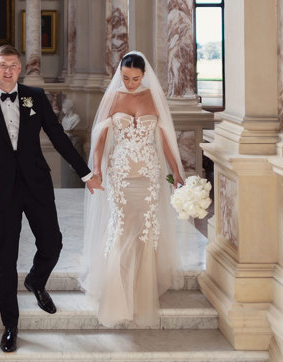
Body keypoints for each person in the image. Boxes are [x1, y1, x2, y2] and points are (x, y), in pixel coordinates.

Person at [0, 45, 102, 353]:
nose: (8, 70)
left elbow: (58, 137)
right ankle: (10, 325)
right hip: (0, 190)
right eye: (3, 65)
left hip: (37, 183)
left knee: (53, 242)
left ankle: (37, 281)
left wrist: (86, 174)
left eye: (13, 65)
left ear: (20, 68)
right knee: (6, 257)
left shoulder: (34, 97)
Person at [79, 51, 185, 327]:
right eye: (125, 77)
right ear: (120, 73)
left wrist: (175, 170)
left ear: (144, 75)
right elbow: (100, 137)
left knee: (144, 230)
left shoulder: (153, 98)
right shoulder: (114, 97)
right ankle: (117, 298)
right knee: (123, 228)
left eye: (135, 78)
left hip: (149, 175)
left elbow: (163, 138)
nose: (130, 83)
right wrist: (98, 170)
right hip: (121, 174)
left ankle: (139, 296)